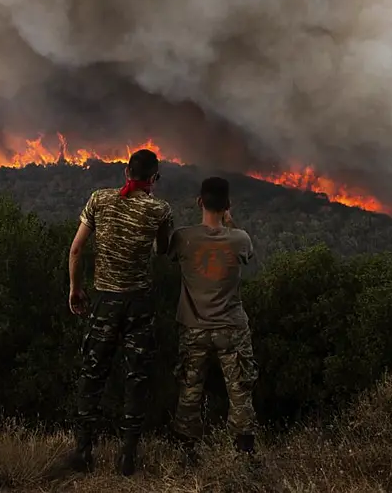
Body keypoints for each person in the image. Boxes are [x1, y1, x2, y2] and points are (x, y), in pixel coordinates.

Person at [66, 148, 173, 476]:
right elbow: (164, 250)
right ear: (153, 178)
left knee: (93, 375)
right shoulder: (159, 209)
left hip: (104, 301)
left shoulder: (99, 199)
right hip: (138, 303)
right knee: (136, 377)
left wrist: (75, 288)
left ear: (126, 172)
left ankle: (84, 453)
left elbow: (76, 249)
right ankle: (127, 456)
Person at [168, 176, 259, 463]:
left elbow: (165, 253)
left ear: (199, 201)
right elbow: (249, 258)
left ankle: (186, 452)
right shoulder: (240, 238)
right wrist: (230, 224)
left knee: (189, 390)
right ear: (228, 205)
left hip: (194, 327)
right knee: (240, 389)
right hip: (231, 328)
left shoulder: (183, 237)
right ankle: (244, 454)